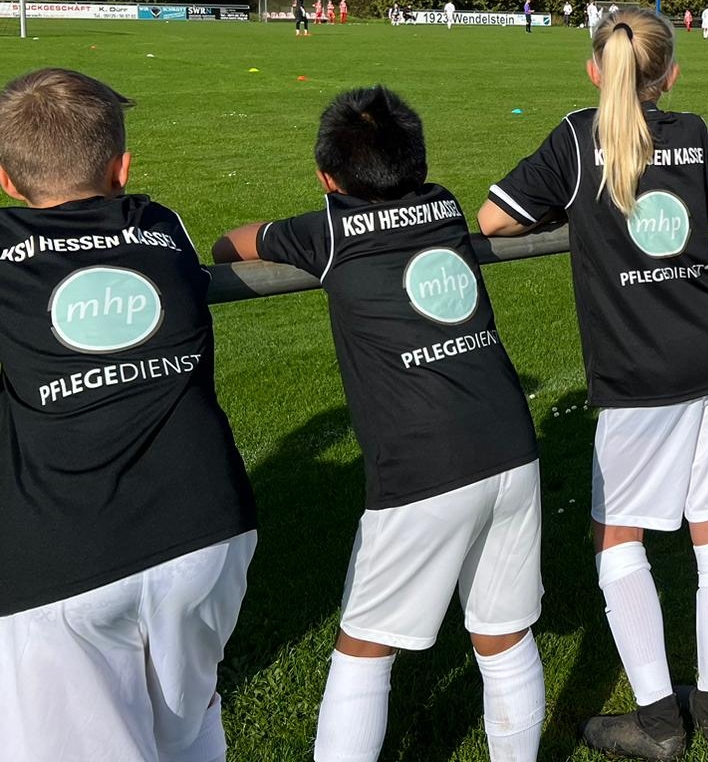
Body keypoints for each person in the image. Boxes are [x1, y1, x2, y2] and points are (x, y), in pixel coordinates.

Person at [215, 88, 544, 762]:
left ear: (327, 180)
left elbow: (229, 246)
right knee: (504, 635)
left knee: (364, 647)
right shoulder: (446, 205)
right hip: (510, 441)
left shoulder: (327, 232)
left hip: (422, 466)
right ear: (419, 163)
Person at [481, 10, 708, 755]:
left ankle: (661, 721)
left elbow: (493, 219)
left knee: (616, 532)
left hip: (641, 366)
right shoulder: (692, 130)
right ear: (670, 75)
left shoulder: (577, 139)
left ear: (594, 71)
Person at [0, 68, 257, 762]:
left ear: (6, 181)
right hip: (209, 531)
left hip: (64, 556)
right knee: (189, 732)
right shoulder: (159, 225)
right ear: (122, 169)